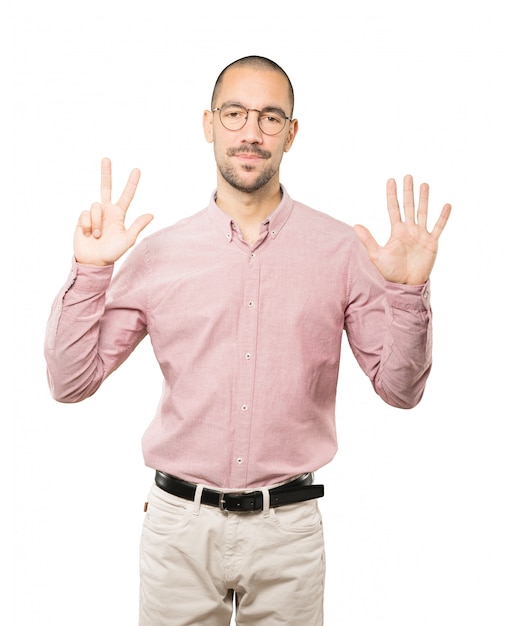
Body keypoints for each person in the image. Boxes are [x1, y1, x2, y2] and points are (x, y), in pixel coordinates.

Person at [44, 55, 451, 626]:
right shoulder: (159, 253)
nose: (251, 133)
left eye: (269, 116)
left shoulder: (341, 250)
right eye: (234, 114)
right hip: (178, 531)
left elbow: (401, 391)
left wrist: (408, 293)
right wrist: (89, 272)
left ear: (291, 133)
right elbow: (69, 381)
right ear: (209, 124)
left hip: (289, 532)